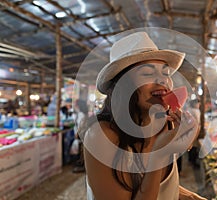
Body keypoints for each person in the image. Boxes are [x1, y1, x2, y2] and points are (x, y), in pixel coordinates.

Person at [81, 32, 207, 200]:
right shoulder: (101, 136)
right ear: (123, 86)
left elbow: (160, 187)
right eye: (148, 73)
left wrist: (190, 196)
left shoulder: (164, 124)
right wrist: (159, 155)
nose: (163, 80)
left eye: (166, 73)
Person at [72, 99, 89, 173]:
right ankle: (81, 165)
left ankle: (81, 165)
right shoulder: (83, 114)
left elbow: (80, 126)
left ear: (78, 106)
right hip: (83, 135)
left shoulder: (81, 114)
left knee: (81, 151)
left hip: (81, 135)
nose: (74, 106)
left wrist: (77, 133)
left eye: (75, 104)